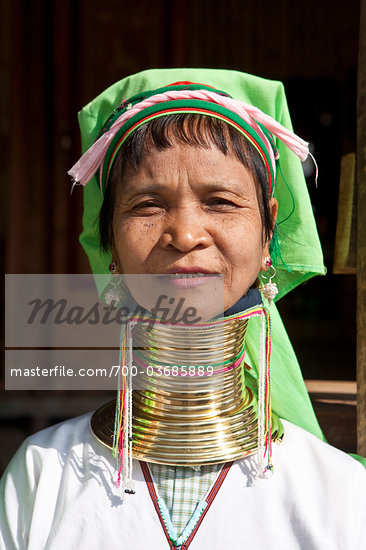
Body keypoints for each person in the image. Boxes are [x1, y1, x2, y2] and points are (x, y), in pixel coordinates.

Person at [1, 68, 366, 550]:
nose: (186, 234)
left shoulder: (339, 495)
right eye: (148, 205)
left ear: (268, 234)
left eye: (220, 201)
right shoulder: (41, 475)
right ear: (108, 235)